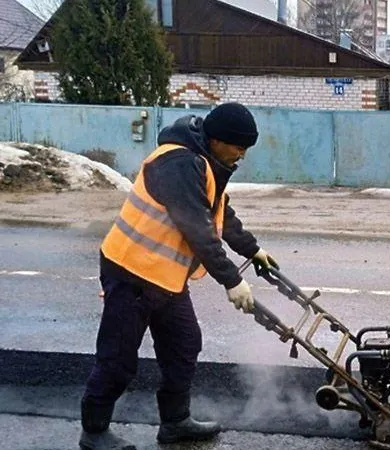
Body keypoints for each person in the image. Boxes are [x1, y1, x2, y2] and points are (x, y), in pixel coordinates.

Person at [79, 102, 277, 450]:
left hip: (165, 278)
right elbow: (197, 229)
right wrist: (232, 280)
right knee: (118, 358)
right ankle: (93, 432)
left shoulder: (206, 162)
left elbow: (218, 213)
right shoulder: (178, 163)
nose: (242, 154)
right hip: (131, 271)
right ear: (216, 139)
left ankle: (175, 422)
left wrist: (252, 250)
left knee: (184, 345)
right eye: (238, 146)